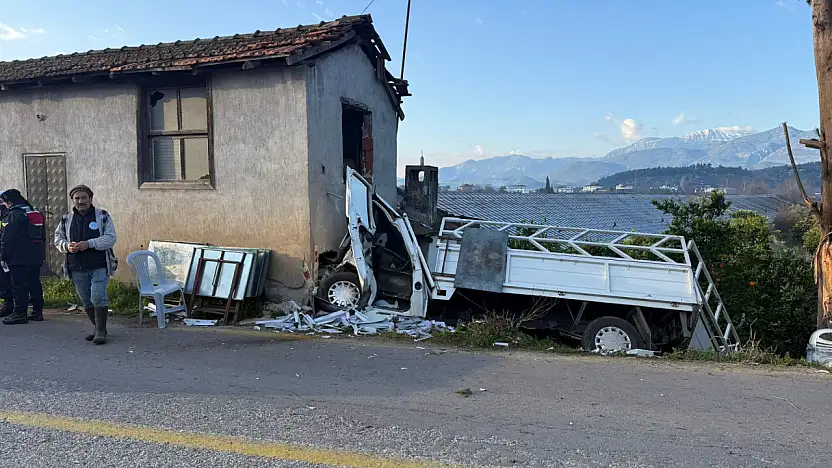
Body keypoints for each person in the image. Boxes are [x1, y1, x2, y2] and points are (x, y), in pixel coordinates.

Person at [54, 185, 117, 344]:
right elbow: (58, 239)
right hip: (76, 266)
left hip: (99, 265)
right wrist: (67, 246)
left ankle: (101, 331)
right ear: (72, 200)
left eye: (84, 198)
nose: (80, 201)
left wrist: (88, 244)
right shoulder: (66, 219)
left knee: (98, 296)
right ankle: (98, 327)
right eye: (77, 198)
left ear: (90, 199)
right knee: (87, 300)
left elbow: (110, 238)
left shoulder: (102, 216)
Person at [0, 189, 45, 325]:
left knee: (19, 285)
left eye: (5, 203)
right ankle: (37, 312)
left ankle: (20, 313)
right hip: (36, 254)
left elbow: (7, 238)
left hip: (19, 255)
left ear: (10, 201)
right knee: (34, 283)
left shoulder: (14, 214)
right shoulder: (34, 211)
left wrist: (3, 255)